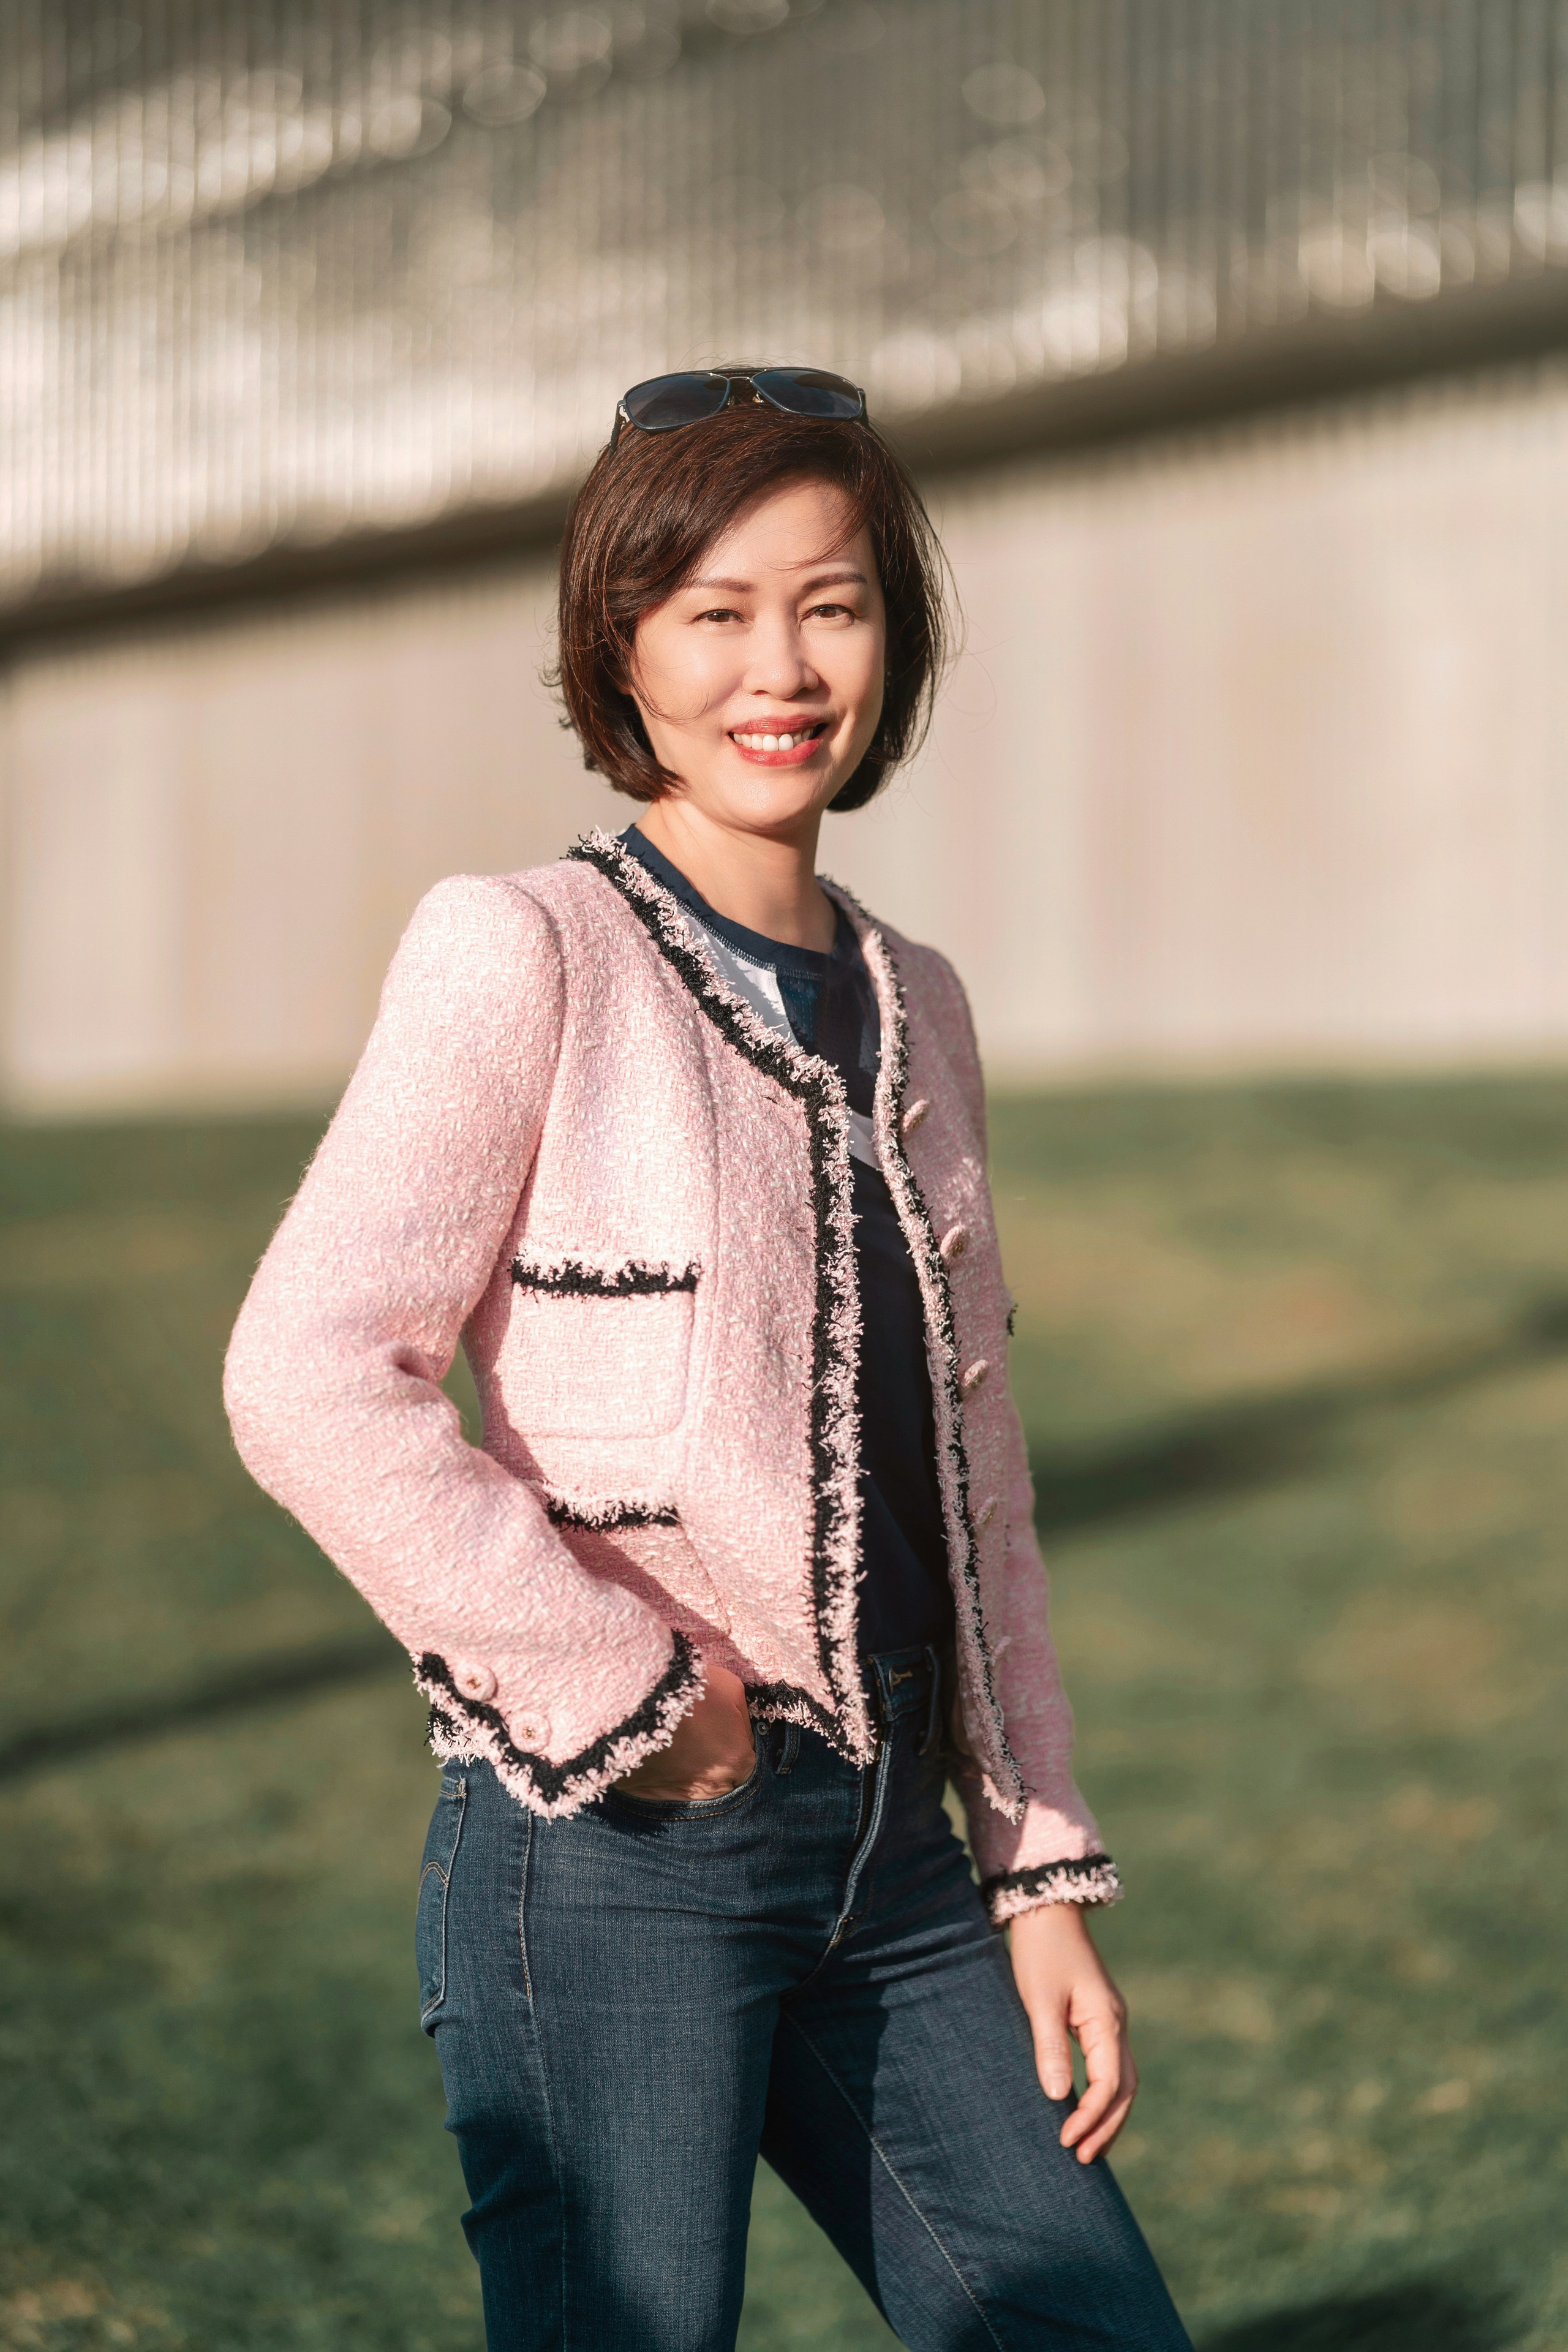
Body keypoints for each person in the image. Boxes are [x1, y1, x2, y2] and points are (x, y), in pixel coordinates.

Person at [225, 364, 1192, 2351]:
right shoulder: (524, 949)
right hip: (616, 1854)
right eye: (716, 610)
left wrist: (1037, 1866)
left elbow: (974, 1474)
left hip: (900, 1864)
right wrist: (632, 1691)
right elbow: (313, 1372)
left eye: (831, 604)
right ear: (623, 644)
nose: (783, 665)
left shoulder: (920, 1002)